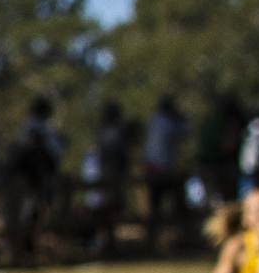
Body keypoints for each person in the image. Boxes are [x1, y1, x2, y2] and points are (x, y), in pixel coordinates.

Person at [6, 98, 65, 265]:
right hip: (33, 179)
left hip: (36, 179)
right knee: (32, 214)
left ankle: (32, 249)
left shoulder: (40, 128)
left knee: (37, 214)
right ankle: (26, 249)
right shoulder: (36, 128)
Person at [142, 95, 191, 255]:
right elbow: (186, 133)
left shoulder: (153, 120)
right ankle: (178, 240)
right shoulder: (167, 122)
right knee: (175, 205)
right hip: (162, 170)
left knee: (155, 207)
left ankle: (152, 242)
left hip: (152, 168)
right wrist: (183, 118)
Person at [82, 100, 131, 259]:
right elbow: (120, 155)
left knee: (107, 209)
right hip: (111, 175)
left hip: (104, 174)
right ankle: (106, 243)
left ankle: (106, 242)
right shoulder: (114, 131)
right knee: (109, 209)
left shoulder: (103, 131)